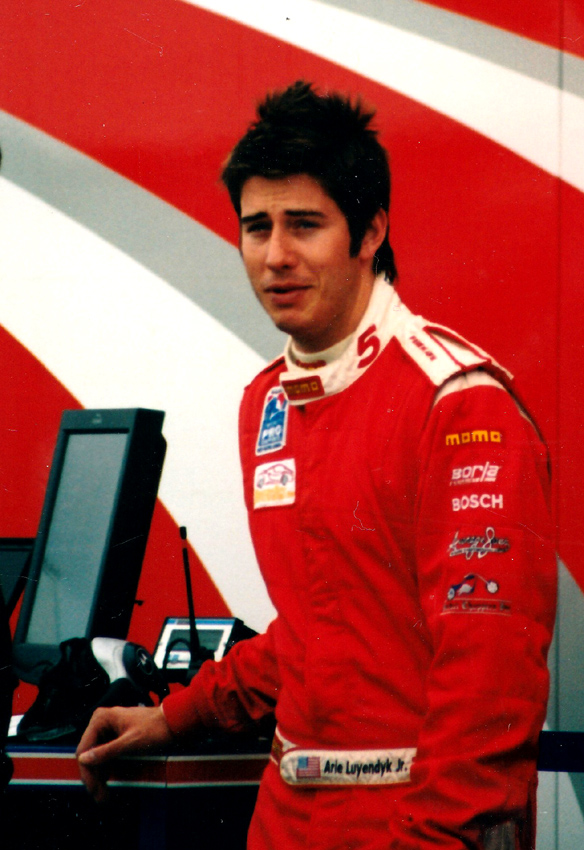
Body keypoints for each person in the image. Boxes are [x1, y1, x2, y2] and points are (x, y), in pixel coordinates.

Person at [77, 81, 557, 849]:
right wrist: (172, 717)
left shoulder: (460, 404)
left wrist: (432, 837)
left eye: (305, 225)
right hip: (288, 818)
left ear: (370, 232)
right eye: (256, 227)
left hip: (414, 824)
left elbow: (489, 678)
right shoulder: (267, 404)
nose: (276, 256)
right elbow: (316, 633)